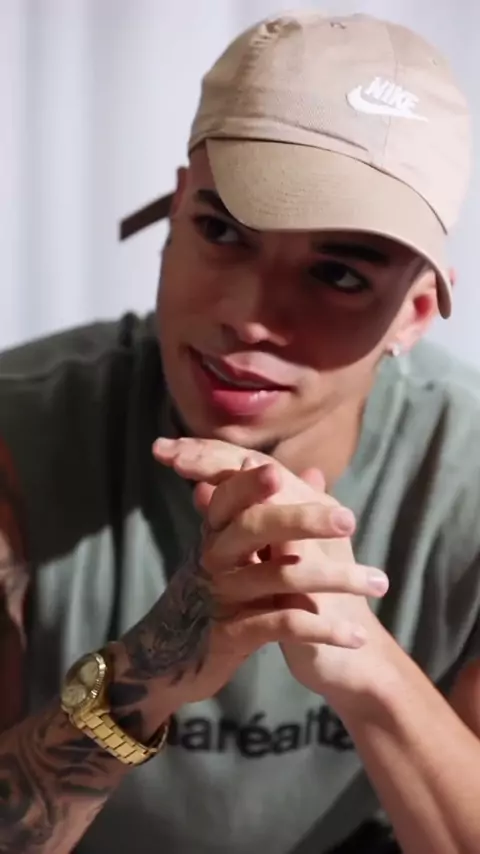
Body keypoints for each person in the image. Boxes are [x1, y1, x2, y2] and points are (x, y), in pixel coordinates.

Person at [0, 9, 479, 854]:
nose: (250, 317)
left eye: (339, 273)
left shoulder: (466, 479)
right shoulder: (18, 437)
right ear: (175, 213)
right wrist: (152, 667)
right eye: (222, 231)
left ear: (413, 313)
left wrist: (365, 663)